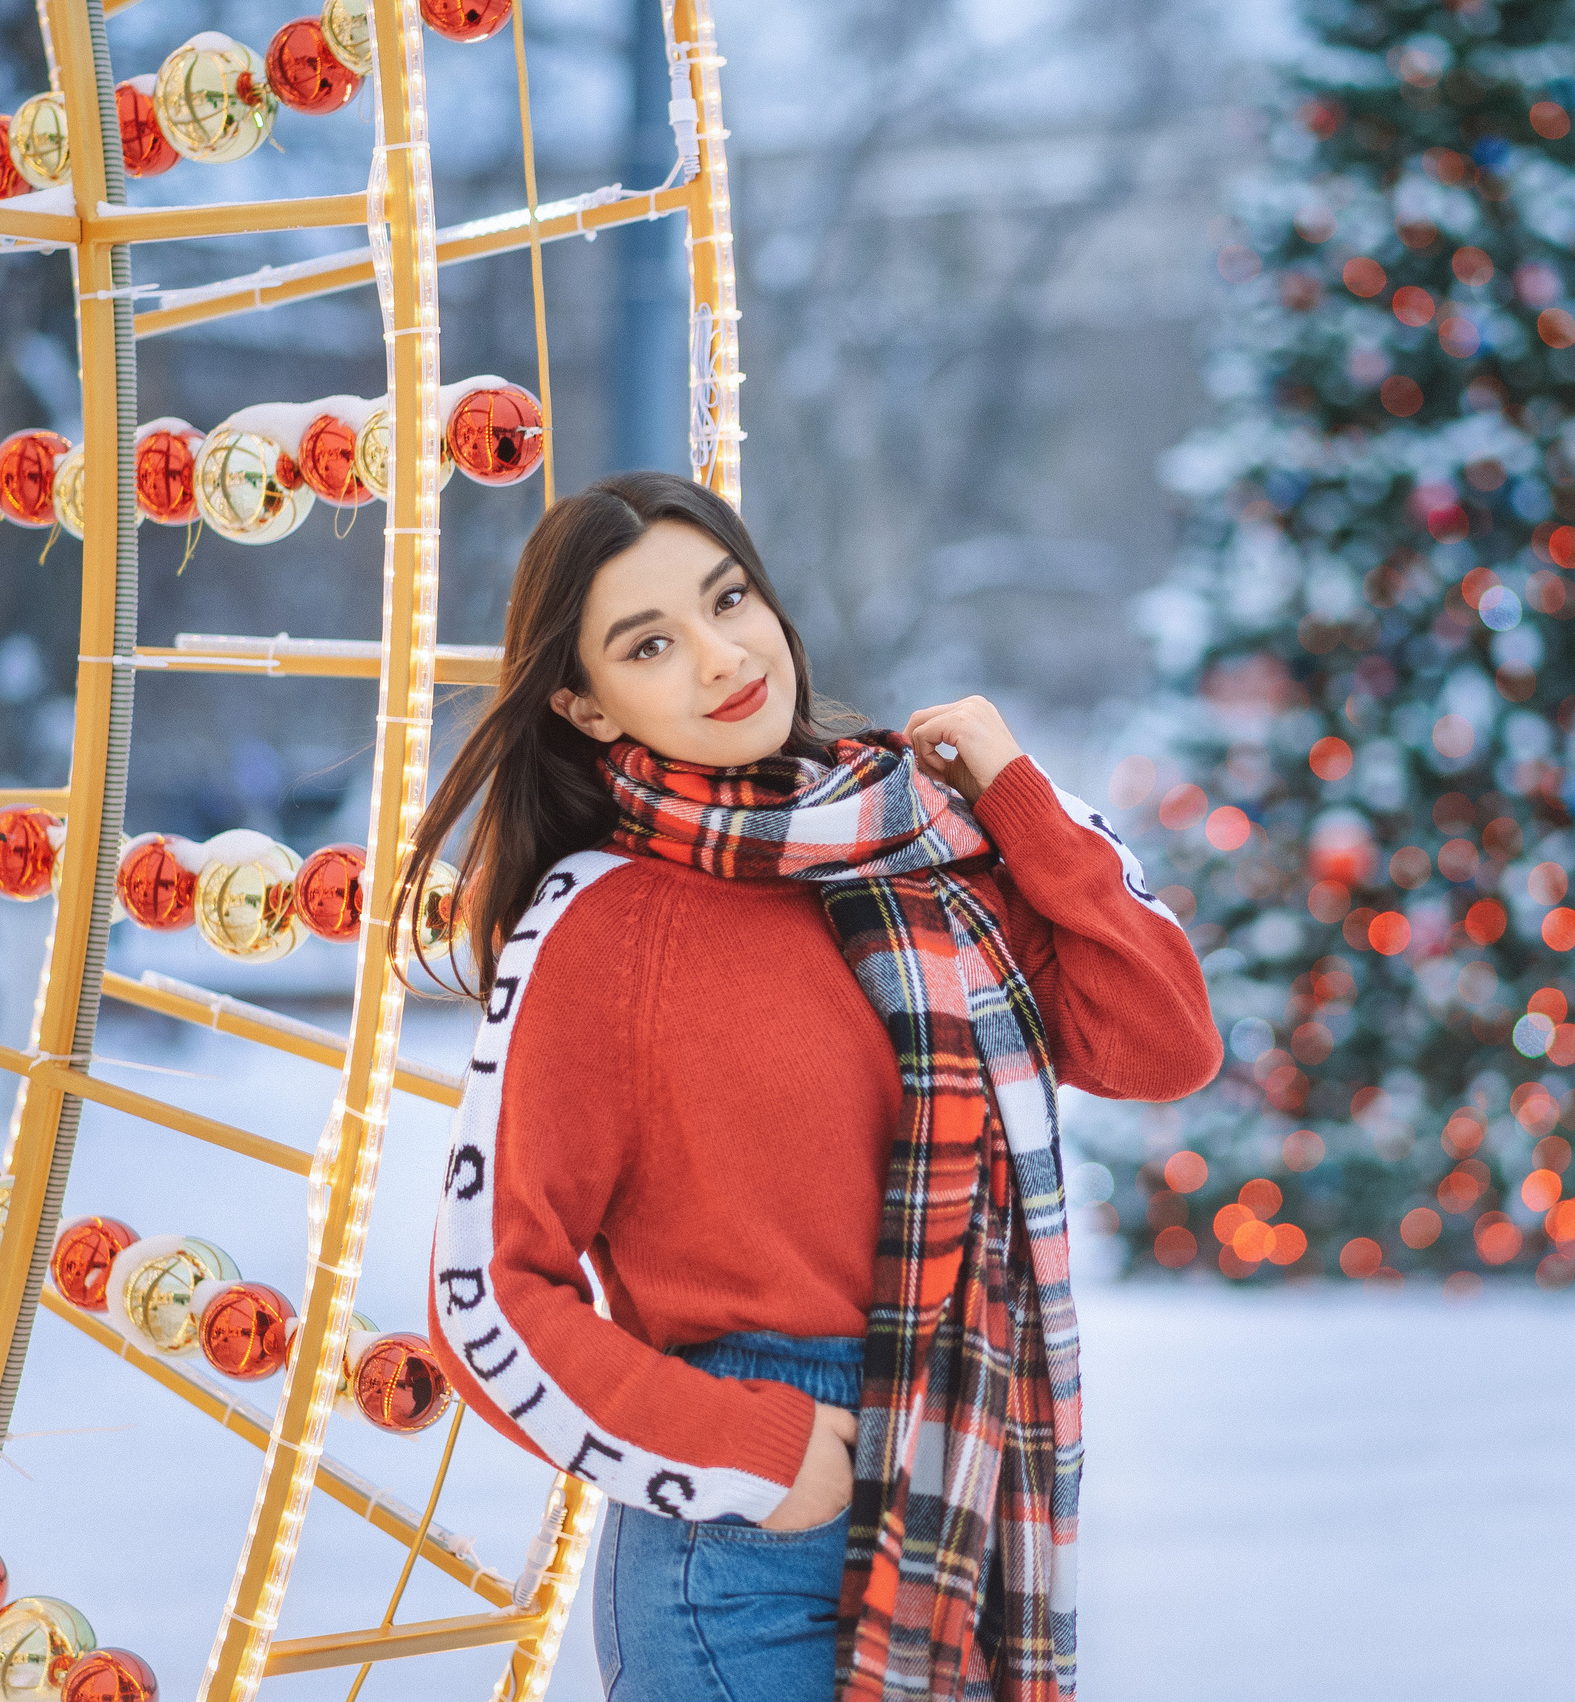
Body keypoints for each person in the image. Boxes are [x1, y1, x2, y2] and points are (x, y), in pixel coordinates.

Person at [409, 472, 1222, 1702]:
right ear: (581, 702)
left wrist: (1019, 798)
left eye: (728, 598)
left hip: (954, 1465)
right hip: (748, 1543)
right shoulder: (602, 926)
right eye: (650, 643)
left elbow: (1162, 1040)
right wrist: (752, 1448)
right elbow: (486, 1292)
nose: (722, 654)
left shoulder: (922, 847)